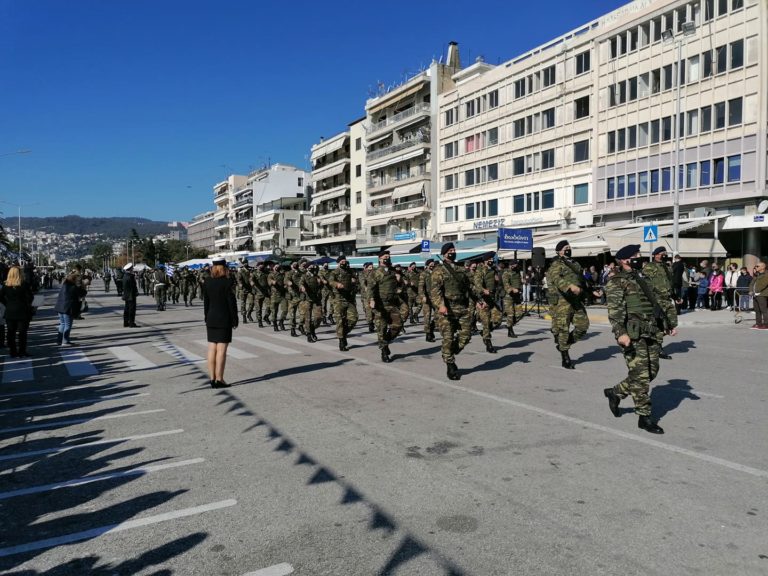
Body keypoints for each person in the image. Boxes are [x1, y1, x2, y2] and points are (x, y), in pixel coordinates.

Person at [603, 244, 677, 435]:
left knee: (651, 371)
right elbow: (615, 312)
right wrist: (621, 334)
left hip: (651, 331)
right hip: (633, 334)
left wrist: (668, 324)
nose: (640, 257)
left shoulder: (643, 279)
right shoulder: (616, 282)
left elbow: (657, 303)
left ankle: (616, 392)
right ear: (625, 260)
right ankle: (644, 417)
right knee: (642, 376)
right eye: (636, 255)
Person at [546, 240, 600, 369]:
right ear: (559, 251)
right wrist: (569, 286)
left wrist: (592, 291)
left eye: (569, 247)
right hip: (562, 301)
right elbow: (557, 280)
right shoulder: (555, 264)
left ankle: (563, 344)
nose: (568, 249)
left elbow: (582, 280)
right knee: (563, 329)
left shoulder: (575, 264)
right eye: (565, 248)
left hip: (576, 300)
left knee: (583, 326)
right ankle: (565, 356)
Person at [430, 242, 473, 380]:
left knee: (465, 336)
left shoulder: (461, 269)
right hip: (446, 309)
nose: (453, 252)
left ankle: (447, 353)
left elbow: (471, 287)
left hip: (462, 307)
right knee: (448, 338)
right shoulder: (439, 270)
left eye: (454, 249)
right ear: (444, 253)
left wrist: (479, 300)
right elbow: (435, 291)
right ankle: (450, 364)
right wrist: (440, 305)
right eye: (450, 250)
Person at [202, 257, 239, 388]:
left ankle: (212, 378)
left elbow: (206, 302)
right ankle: (220, 379)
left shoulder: (207, 281)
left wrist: (206, 317)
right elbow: (231, 303)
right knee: (222, 350)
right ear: (224, 267)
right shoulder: (228, 282)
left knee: (212, 348)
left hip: (211, 317)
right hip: (224, 318)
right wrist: (235, 319)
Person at [642, 247, 678, 359]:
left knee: (671, 322)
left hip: (666, 299)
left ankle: (652, 343)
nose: (663, 255)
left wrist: (675, 296)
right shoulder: (649, 267)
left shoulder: (666, 267)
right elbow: (647, 284)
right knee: (659, 324)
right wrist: (652, 300)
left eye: (664, 254)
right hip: (656, 299)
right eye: (661, 254)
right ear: (655, 255)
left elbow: (669, 283)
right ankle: (657, 348)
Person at [368, 250, 402, 363]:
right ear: (380, 259)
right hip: (380, 305)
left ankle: (385, 342)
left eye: (388, 256)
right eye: (385, 257)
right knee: (381, 329)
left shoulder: (393, 272)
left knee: (398, 325)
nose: (387, 258)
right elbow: (371, 288)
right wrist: (371, 299)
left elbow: (400, 285)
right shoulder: (375, 272)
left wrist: (400, 281)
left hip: (392, 304)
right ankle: (383, 351)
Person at [0, 265, 34, 358]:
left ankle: (13, 352)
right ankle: (22, 351)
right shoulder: (24, 284)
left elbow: (0, 297)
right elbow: (30, 297)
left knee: (11, 333)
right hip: (22, 311)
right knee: (22, 333)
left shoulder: (5, 285)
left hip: (10, 311)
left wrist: (7, 303)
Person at [327, 255, 358, 350]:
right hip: (338, 299)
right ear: (338, 262)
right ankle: (341, 341)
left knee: (354, 319)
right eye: (342, 261)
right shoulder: (334, 272)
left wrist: (354, 280)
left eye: (345, 261)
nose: (344, 263)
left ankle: (343, 333)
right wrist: (337, 284)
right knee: (340, 321)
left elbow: (356, 279)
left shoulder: (350, 271)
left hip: (349, 299)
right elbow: (330, 281)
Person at [474, 253, 502, 353]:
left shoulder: (493, 270)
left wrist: (497, 281)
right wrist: (483, 291)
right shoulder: (480, 270)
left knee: (498, 320)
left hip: (492, 299)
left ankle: (485, 333)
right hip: (483, 300)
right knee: (485, 323)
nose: (492, 260)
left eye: (492, 259)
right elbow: (477, 285)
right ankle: (488, 343)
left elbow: (497, 284)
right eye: (490, 258)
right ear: (486, 260)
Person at [54, 271, 87, 345]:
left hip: (60, 307)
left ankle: (59, 340)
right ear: (73, 280)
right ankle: (65, 341)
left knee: (62, 324)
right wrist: (83, 285)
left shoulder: (64, 285)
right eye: (76, 279)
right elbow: (83, 293)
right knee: (67, 325)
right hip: (67, 308)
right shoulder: (73, 287)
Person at [502, 259, 522, 338]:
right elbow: (506, 284)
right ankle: (510, 331)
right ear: (511, 265)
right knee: (510, 314)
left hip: (517, 295)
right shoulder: (506, 273)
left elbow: (519, 282)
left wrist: (520, 287)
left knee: (519, 313)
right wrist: (512, 289)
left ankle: (509, 324)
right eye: (515, 265)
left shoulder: (517, 272)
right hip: (508, 296)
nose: (516, 266)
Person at [749, 260, 768, 329]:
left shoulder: (766, 274)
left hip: (762, 294)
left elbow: (763, 284)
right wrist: (750, 290)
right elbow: (752, 283)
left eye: (757, 266)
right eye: (756, 266)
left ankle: (766, 324)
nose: (756, 267)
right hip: (755, 294)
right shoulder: (757, 274)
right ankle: (758, 323)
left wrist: (755, 291)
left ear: (763, 267)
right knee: (757, 310)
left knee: (764, 310)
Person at [122, 263, 139, 327]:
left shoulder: (124, 276)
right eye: (132, 268)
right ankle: (131, 323)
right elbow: (133, 286)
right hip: (131, 295)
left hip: (126, 295)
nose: (133, 269)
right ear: (130, 269)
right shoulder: (131, 277)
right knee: (132, 310)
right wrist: (136, 292)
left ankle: (125, 322)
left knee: (126, 309)